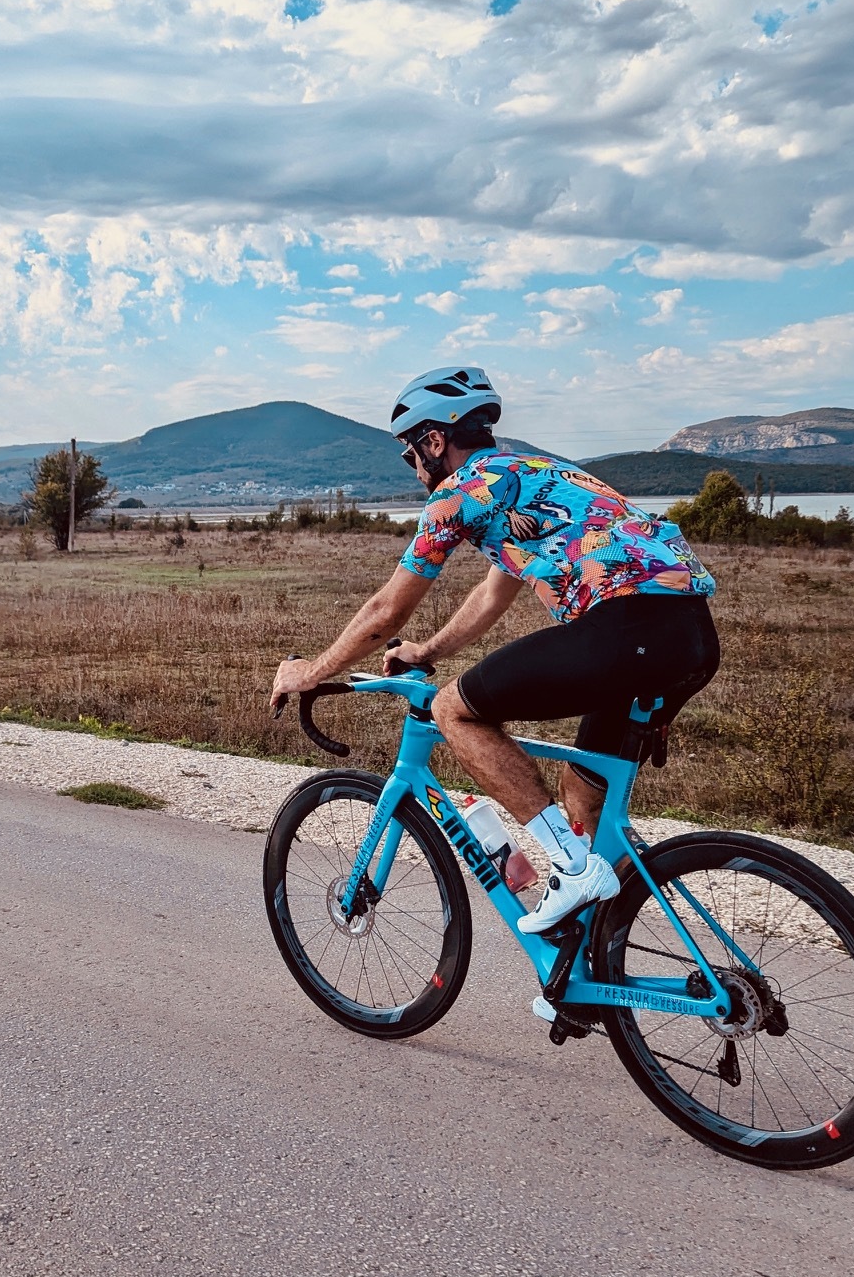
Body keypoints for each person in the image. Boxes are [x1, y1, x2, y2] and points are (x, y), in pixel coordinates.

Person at [269, 366, 720, 935]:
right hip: (690, 638)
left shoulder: (461, 494)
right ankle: (591, 966)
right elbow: (492, 591)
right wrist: (426, 650)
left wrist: (314, 669)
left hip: (628, 627)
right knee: (582, 791)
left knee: (453, 710)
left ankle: (574, 871)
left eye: (410, 453)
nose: (412, 468)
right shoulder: (536, 474)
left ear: (435, 441)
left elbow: (386, 610)